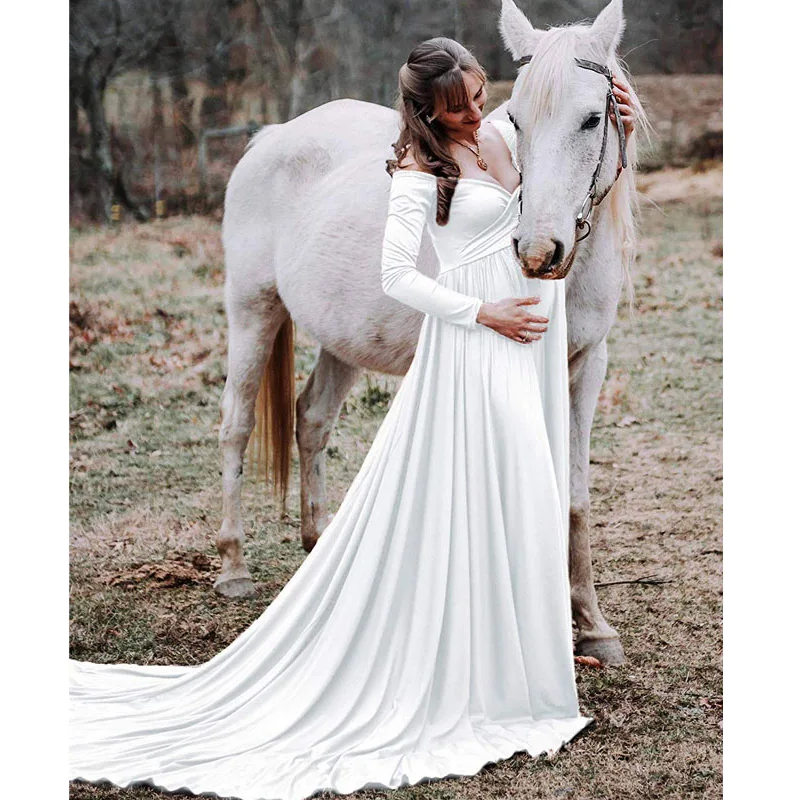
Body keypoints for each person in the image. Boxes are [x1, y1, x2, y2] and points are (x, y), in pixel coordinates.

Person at [70, 38, 636, 800]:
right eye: (462, 103)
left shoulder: (499, 141)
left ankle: (507, 645)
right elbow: (397, 276)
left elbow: (565, 136)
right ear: (429, 111)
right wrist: (483, 313)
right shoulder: (413, 172)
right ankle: (238, 535)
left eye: (480, 95)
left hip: (500, 350)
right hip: (466, 344)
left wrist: (619, 114)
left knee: (509, 487)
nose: (480, 111)